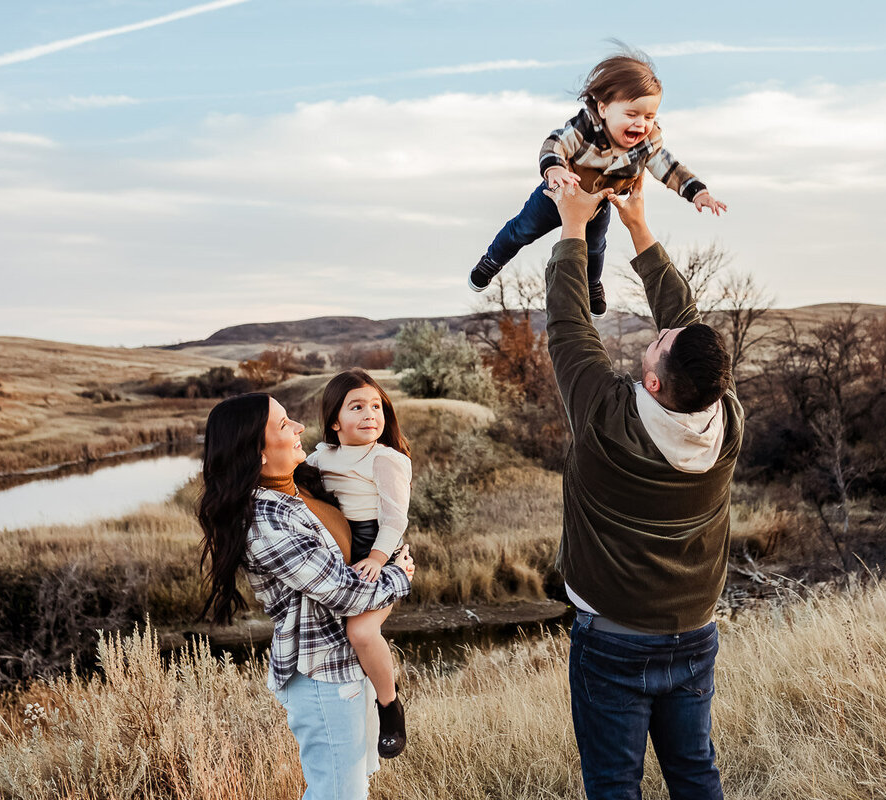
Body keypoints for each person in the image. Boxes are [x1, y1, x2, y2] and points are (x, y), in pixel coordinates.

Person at [542, 178, 743, 800]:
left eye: (655, 346)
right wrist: (638, 228)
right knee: (694, 774)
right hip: (695, 630)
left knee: (612, 785)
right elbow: (685, 328)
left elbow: (568, 327)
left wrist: (574, 228)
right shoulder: (725, 420)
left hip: (613, 639)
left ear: (655, 384)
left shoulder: (608, 421)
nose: (653, 337)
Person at [197, 392, 415, 800]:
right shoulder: (265, 524)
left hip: (348, 664)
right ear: (257, 454)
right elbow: (345, 593)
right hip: (322, 675)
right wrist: (399, 574)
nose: (299, 427)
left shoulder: (302, 487)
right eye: (283, 424)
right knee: (337, 793)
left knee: (353, 786)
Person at [469, 49, 727, 317]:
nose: (641, 124)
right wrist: (555, 168)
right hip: (558, 194)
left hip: (599, 204)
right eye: (632, 114)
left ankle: (592, 285)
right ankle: (492, 261)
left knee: (595, 248)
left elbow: (670, 169)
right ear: (603, 108)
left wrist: (698, 192)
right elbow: (554, 143)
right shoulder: (584, 127)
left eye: (649, 117)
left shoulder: (647, 144)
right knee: (521, 230)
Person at [306, 368, 413, 759]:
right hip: (339, 547)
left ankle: (390, 707)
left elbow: (395, 519)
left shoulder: (385, 459)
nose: (370, 414)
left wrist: (378, 558)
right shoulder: (321, 456)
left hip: (376, 548)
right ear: (335, 420)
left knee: (362, 634)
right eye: (357, 407)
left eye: (376, 406)